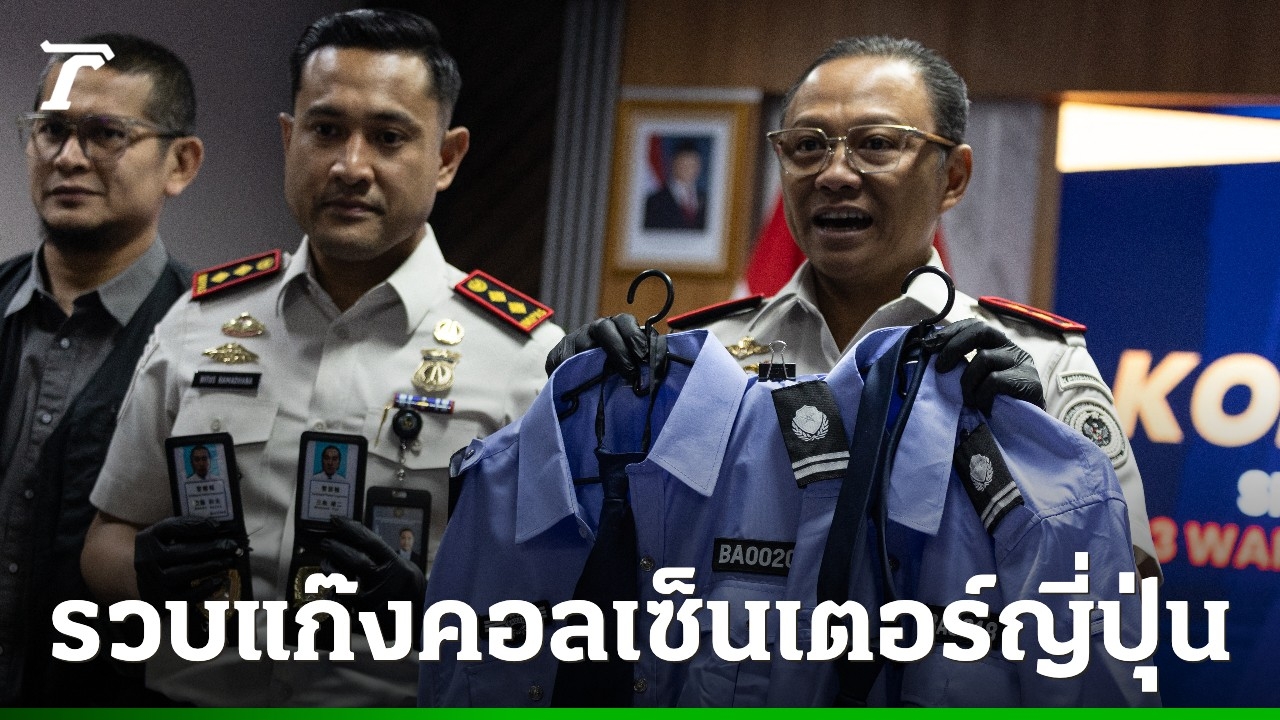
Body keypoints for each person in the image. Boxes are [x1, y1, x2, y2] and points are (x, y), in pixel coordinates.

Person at [80, 9, 562, 706]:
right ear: (290, 138)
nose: (350, 166)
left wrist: (437, 612)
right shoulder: (196, 324)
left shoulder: (523, 361)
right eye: (326, 129)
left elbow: (562, 609)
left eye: (389, 137)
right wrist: (141, 573)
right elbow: (106, 538)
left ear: (447, 158)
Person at [558, 36, 1157, 580]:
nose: (835, 174)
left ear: (953, 177)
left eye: (876, 145)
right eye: (807, 147)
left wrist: (1039, 461)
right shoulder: (701, 360)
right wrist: (576, 407)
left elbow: (1124, 600)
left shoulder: (1040, 367)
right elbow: (621, 560)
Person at [0, 33, 203, 705]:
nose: (68, 157)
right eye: (51, 130)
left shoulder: (215, 340)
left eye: (106, 134)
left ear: (180, 163)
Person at [643, 140, 706, 230]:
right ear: (673, 164)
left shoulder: (706, 200)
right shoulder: (654, 202)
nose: (688, 169)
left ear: (699, 167)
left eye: (692, 164)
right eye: (684, 164)